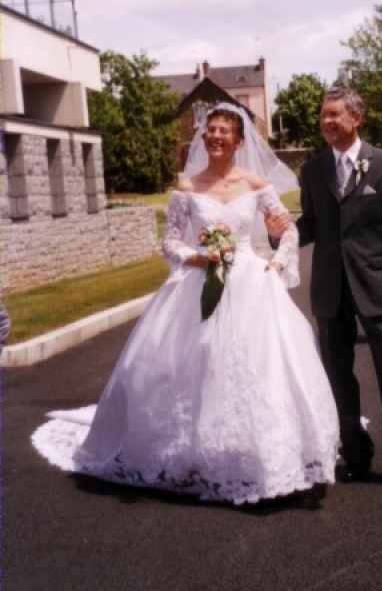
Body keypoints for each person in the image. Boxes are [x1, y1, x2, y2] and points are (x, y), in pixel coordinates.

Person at [32, 104, 339, 506]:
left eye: (224, 131)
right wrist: (198, 258)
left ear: (239, 141)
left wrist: (277, 264)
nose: (215, 136)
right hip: (200, 282)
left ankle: (257, 454)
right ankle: (192, 450)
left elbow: (289, 231)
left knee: (254, 365)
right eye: (210, 129)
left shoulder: (256, 184)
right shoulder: (187, 186)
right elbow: (171, 242)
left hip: (249, 282)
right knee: (200, 360)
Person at [273, 87, 382, 494]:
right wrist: (282, 232)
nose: (327, 121)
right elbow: (314, 223)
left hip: (379, 288)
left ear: (356, 118)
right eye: (323, 116)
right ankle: (356, 452)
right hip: (330, 290)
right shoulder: (313, 169)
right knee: (338, 377)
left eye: (334, 114)